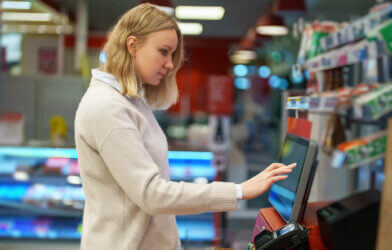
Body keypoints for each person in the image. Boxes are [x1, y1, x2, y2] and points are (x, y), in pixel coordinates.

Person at [74, 3, 296, 250]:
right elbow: (152, 194)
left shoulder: (131, 102)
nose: (170, 64)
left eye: (172, 54)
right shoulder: (108, 107)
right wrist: (239, 191)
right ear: (132, 45)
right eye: (163, 51)